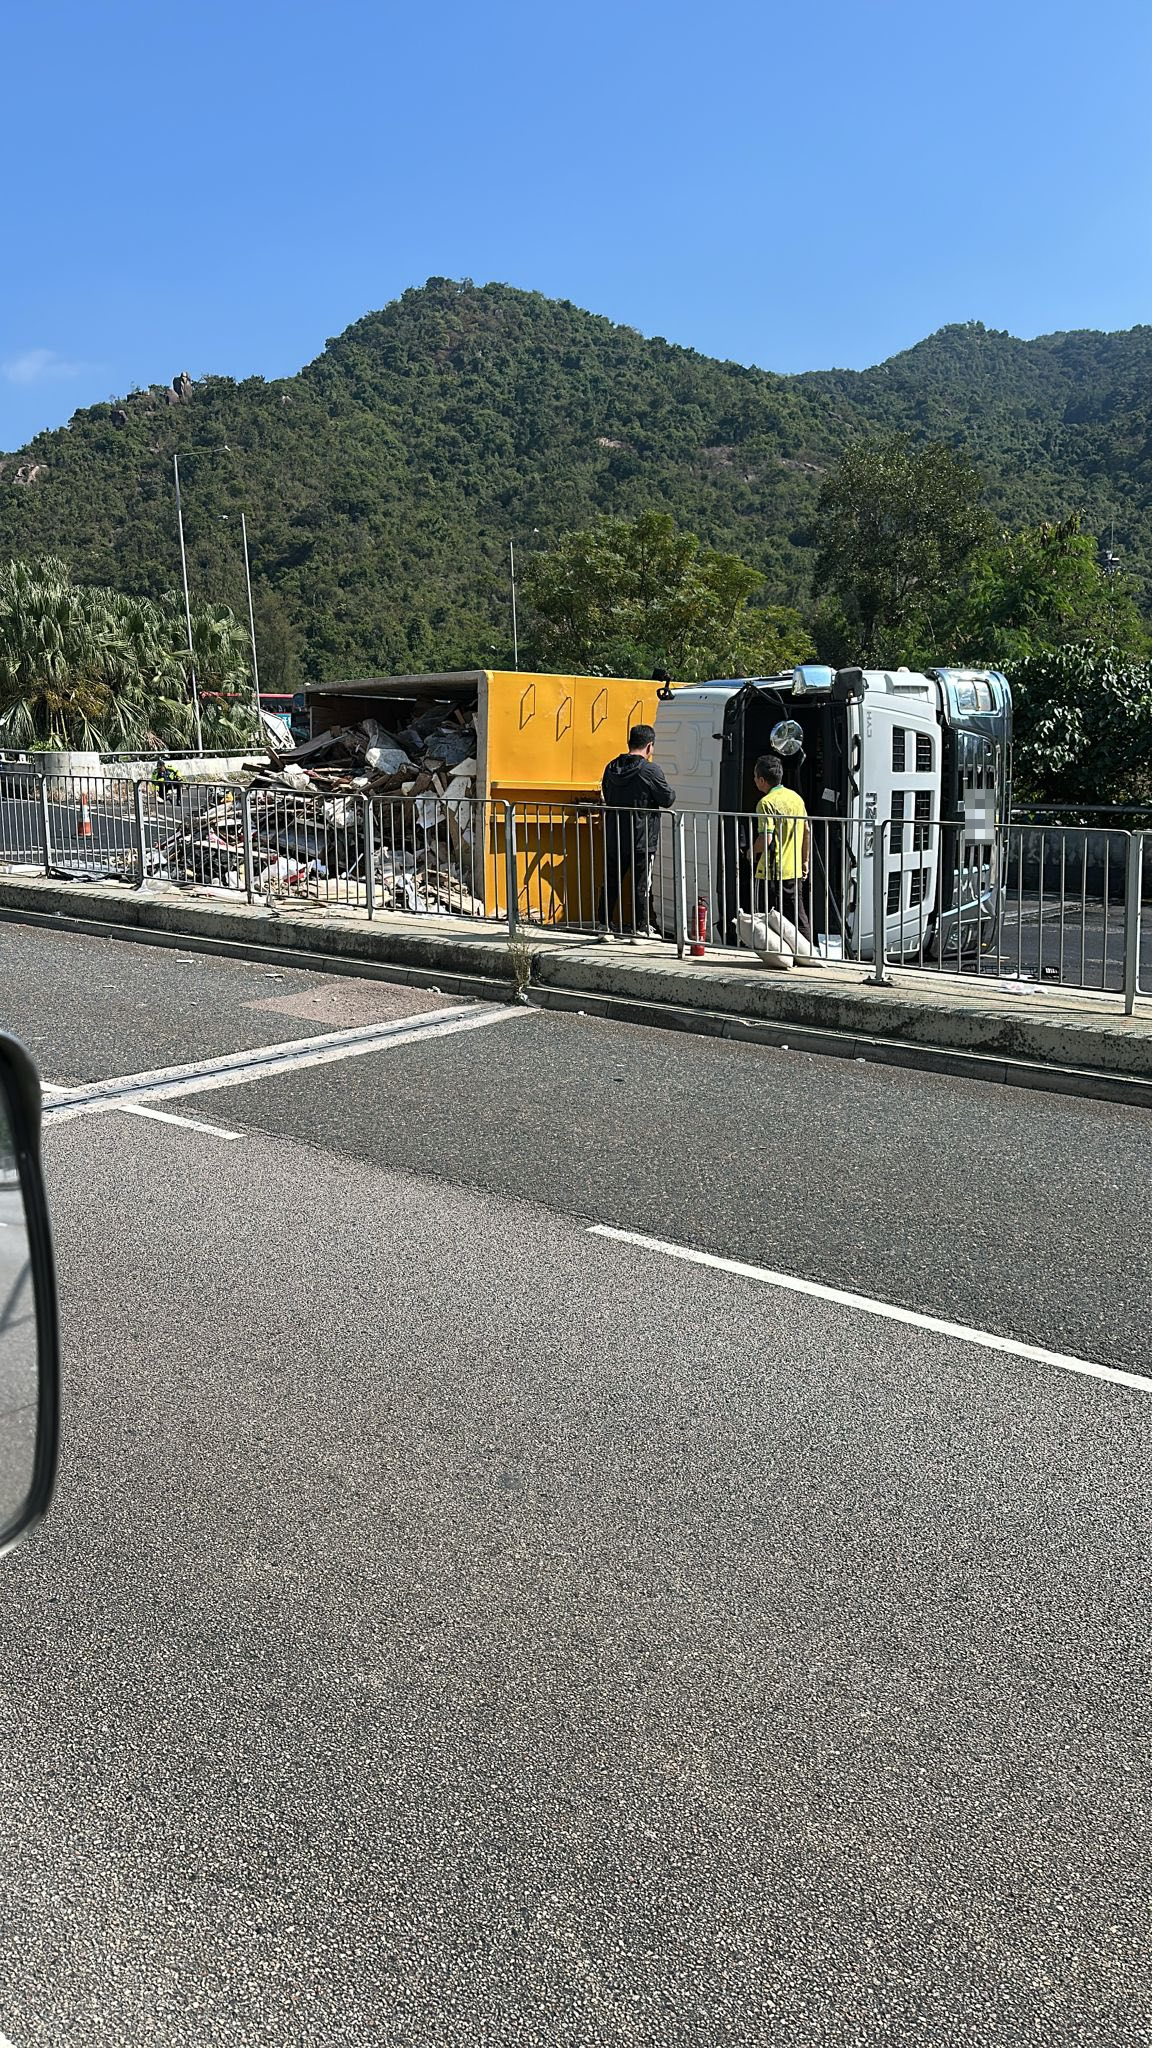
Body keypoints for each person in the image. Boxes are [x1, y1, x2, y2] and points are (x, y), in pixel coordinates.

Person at [598, 723, 675, 936]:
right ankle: (641, 928)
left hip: (615, 834)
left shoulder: (611, 767)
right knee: (642, 883)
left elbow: (606, 791)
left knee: (611, 880)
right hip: (642, 837)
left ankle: (603, 925)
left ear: (629, 742)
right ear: (649, 746)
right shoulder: (650, 770)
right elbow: (667, 799)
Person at [753, 753, 812, 942]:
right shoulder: (796, 798)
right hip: (793, 869)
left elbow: (766, 838)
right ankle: (808, 953)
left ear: (762, 780)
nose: (754, 781)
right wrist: (805, 862)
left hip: (771, 870)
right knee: (798, 915)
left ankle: (773, 953)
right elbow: (806, 831)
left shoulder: (765, 804)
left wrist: (750, 851)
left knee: (765, 916)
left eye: (755, 777)